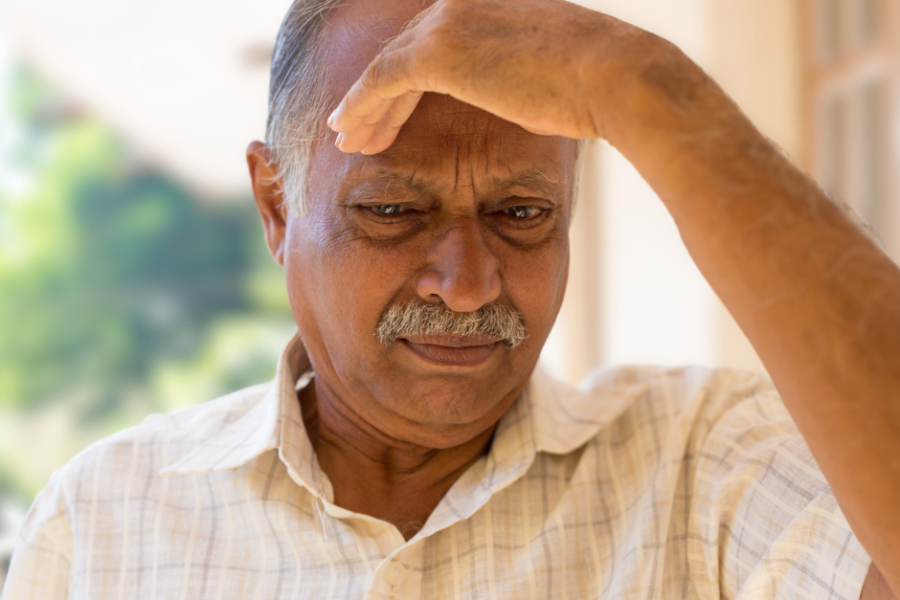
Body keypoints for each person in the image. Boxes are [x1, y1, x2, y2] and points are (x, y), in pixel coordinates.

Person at [3, 0, 900, 597]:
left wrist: (642, 86)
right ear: (277, 206)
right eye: (392, 210)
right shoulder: (102, 521)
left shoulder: (704, 465)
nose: (469, 284)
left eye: (523, 212)